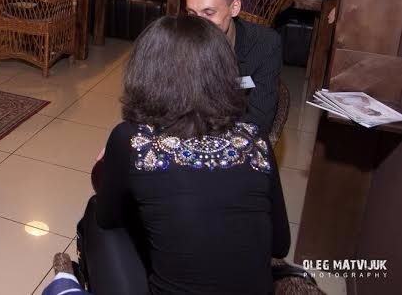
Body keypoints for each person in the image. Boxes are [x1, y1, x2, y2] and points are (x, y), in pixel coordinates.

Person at [78, 15, 290, 295]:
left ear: (146, 73)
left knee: (95, 212)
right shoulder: (255, 139)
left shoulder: (132, 140)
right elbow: (279, 245)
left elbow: (109, 218)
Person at [185, 0, 282, 136]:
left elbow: (260, 120)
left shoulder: (265, 44)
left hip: (234, 134)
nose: (199, 25)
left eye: (209, 13)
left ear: (234, 8)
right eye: (192, 14)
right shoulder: (180, 40)